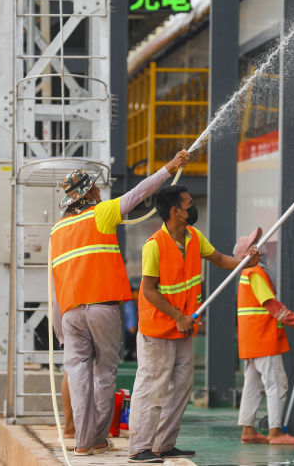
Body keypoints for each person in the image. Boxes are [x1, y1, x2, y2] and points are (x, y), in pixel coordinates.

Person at [49, 150, 190, 457]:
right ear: (91, 193)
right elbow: (140, 192)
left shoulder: (56, 231)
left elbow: (54, 282)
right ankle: (97, 439)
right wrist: (170, 167)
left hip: (70, 312)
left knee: (77, 374)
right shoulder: (101, 213)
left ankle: (81, 441)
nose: (100, 191)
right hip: (103, 308)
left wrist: (59, 327)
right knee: (103, 372)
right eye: (96, 189)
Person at [127, 185, 263, 463]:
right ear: (176, 211)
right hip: (158, 331)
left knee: (181, 387)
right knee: (152, 388)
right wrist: (178, 315)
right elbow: (149, 290)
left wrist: (245, 263)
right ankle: (139, 448)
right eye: (189, 203)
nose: (193, 206)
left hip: (183, 329)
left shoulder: (194, 237)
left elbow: (219, 259)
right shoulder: (154, 245)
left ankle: (164, 444)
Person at [235, 227, 294, 445]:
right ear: (247, 254)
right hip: (264, 339)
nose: (261, 249)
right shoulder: (255, 273)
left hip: (251, 340)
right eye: (255, 245)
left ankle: (248, 430)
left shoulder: (246, 274)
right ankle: (275, 433)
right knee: (276, 385)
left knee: (252, 386)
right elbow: (273, 307)